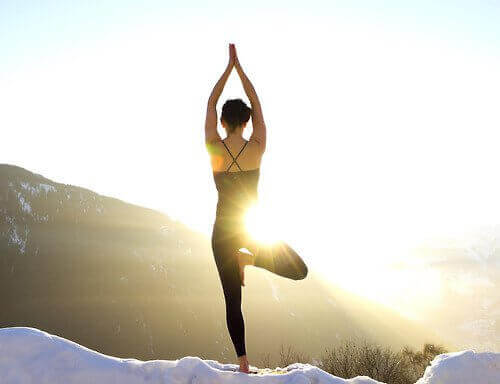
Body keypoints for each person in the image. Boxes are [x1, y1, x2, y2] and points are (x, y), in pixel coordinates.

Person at [204, 43, 308, 373]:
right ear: (247, 123)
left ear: (222, 122)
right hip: (250, 229)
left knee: (232, 300)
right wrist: (241, 70)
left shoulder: (214, 148)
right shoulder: (257, 147)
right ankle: (251, 257)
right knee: (298, 270)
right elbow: (258, 104)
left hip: (223, 232)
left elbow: (209, 103)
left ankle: (243, 362)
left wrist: (227, 69)